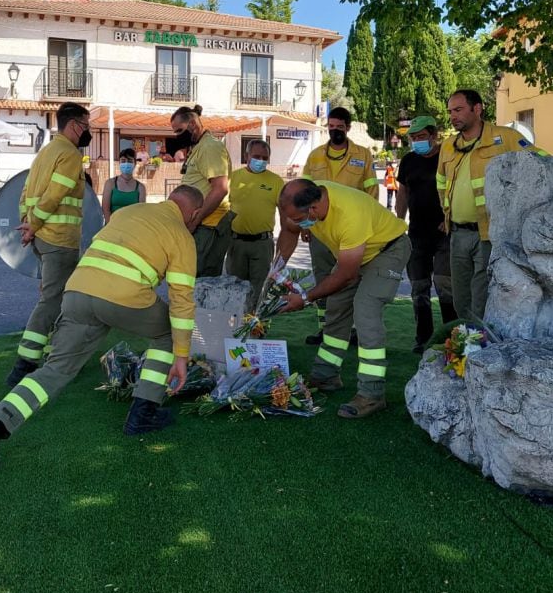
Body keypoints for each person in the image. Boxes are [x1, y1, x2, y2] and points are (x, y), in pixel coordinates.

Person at [0, 185, 204, 469]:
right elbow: (181, 301)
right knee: (167, 333)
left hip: (77, 291)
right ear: (195, 213)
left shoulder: (129, 211)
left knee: (55, 370)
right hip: (122, 297)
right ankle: (144, 412)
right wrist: (181, 355)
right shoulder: (181, 235)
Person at [274, 179, 409, 419]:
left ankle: (372, 393)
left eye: (298, 218)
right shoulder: (306, 201)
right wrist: (275, 270)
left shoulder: (349, 213)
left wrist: (304, 298)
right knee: (336, 307)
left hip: (388, 251)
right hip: (356, 253)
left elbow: (346, 274)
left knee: (365, 310)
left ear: (313, 210)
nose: (295, 222)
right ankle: (325, 376)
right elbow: (289, 230)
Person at [437, 89, 548, 321]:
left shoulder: (504, 137)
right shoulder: (448, 146)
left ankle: (479, 346)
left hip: (488, 232)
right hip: (457, 233)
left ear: (477, 109)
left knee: (481, 296)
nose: (452, 116)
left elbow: (543, 161)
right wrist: (446, 214)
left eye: (458, 110)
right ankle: (464, 345)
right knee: (460, 298)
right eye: (450, 112)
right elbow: (441, 183)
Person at [3, 102, 90, 387]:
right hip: (59, 239)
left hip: (41, 238)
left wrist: (28, 226)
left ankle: (57, 353)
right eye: (86, 125)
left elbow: (26, 192)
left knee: (57, 297)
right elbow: (54, 196)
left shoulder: (45, 152)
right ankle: (25, 363)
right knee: (52, 300)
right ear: (75, 125)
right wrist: (35, 225)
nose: (87, 131)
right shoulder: (70, 154)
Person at [300, 107, 379, 346]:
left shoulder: (363, 155)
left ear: (348, 127)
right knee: (323, 279)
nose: (334, 131)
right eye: (331, 127)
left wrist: (369, 225)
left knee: (349, 279)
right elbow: (303, 191)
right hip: (320, 230)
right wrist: (305, 224)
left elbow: (372, 191)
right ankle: (325, 329)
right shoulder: (315, 156)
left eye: (339, 127)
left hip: (351, 230)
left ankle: (351, 329)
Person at [396, 116, 457, 352]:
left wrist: (449, 217)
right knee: (418, 288)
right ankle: (423, 340)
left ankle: (451, 339)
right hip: (416, 234)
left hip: (445, 233)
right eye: (413, 137)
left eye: (421, 137)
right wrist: (398, 223)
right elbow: (403, 192)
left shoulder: (448, 159)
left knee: (445, 286)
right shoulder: (409, 160)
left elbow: (456, 189)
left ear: (434, 136)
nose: (416, 142)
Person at [169, 104, 231, 276]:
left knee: (200, 279)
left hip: (207, 225)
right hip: (200, 224)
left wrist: (195, 221)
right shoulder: (198, 148)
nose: (177, 136)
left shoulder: (210, 147)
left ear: (192, 125)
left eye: (179, 131)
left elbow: (220, 189)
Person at [227, 140, 284, 311]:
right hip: (236, 243)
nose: (261, 160)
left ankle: (255, 326)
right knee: (235, 287)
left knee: (259, 289)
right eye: (256, 156)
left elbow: (285, 213)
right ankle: (234, 327)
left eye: (265, 158)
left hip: (262, 244)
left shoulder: (276, 181)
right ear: (247, 156)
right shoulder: (233, 178)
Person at [101, 147, 146, 222]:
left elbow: (140, 212)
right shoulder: (110, 183)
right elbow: (106, 210)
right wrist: (112, 227)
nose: (126, 163)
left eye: (130, 161)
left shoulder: (140, 187)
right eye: (123, 161)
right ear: (119, 163)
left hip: (131, 229)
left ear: (135, 163)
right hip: (112, 228)